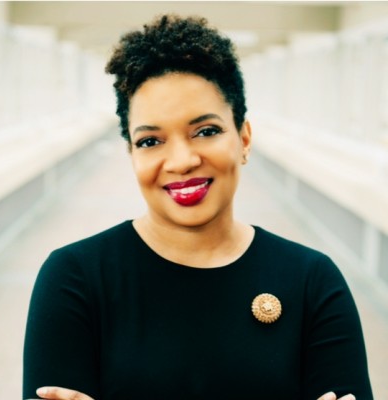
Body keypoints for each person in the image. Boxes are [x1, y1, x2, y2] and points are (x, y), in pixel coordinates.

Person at [23, 14, 373, 400]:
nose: (182, 161)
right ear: (131, 153)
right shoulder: (75, 280)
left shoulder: (311, 282)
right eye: (150, 141)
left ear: (244, 138)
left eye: (206, 131)